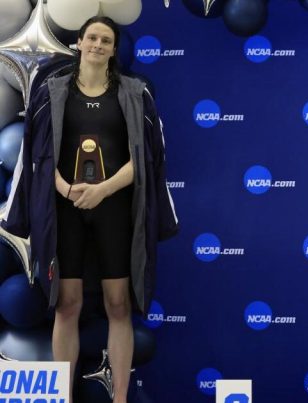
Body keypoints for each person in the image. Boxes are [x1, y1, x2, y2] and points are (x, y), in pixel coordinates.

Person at [1, 16, 178, 402]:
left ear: (114, 50)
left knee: (119, 305)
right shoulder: (51, 92)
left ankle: (120, 398)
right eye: (92, 38)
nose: (98, 44)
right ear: (79, 43)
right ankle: (63, 395)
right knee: (67, 305)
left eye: (106, 40)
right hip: (65, 212)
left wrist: (103, 190)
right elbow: (37, 154)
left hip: (116, 210)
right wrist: (66, 188)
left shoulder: (134, 93)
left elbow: (145, 157)